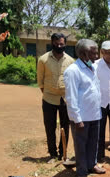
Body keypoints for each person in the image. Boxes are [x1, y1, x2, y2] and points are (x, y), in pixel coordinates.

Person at [64, 39, 106, 177]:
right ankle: (81, 171)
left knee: (93, 143)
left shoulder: (91, 67)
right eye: (93, 53)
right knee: (81, 145)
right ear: (83, 54)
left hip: (94, 114)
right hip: (81, 117)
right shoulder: (72, 71)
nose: (96, 56)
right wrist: (77, 119)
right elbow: (71, 97)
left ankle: (91, 165)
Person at [37, 33, 75, 163]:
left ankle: (63, 153)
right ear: (52, 43)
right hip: (49, 99)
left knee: (66, 126)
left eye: (62, 43)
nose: (59, 46)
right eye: (57, 43)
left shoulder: (70, 61)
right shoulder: (43, 60)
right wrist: (48, 93)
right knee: (50, 127)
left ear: (65, 44)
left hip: (65, 99)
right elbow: (40, 82)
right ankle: (52, 154)